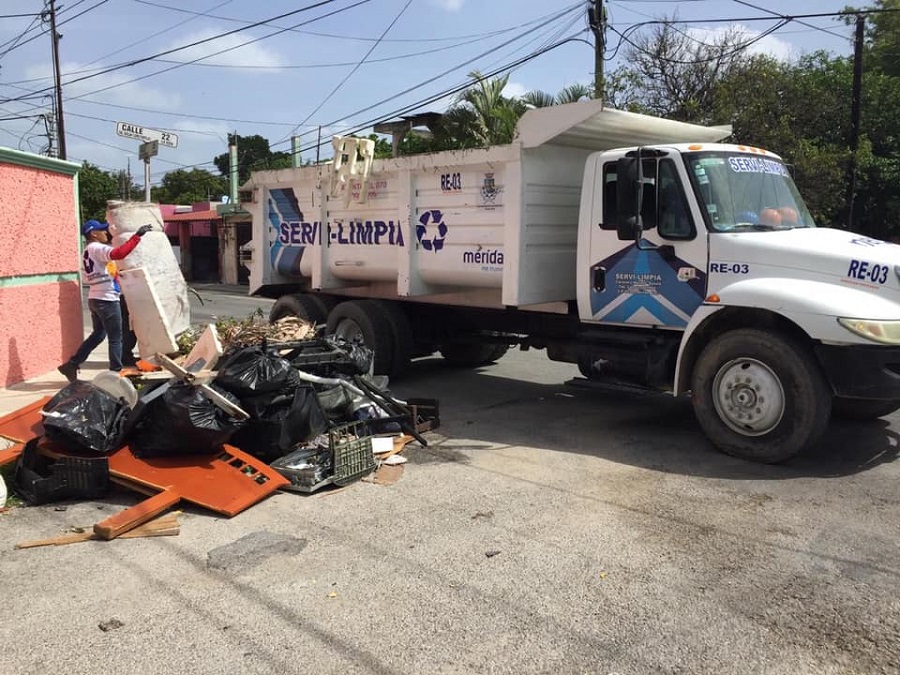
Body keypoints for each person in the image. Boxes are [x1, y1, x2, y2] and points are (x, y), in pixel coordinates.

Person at [58, 220, 153, 382]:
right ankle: (115, 374)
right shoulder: (97, 247)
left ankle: (72, 364)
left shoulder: (86, 251)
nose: (105, 233)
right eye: (102, 231)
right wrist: (137, 236)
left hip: (95, 298)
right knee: (116, 338)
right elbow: (119, 254)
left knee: (98, 335)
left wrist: (117, 276)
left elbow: (97, 274)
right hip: (107, 299)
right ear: (93, 233)